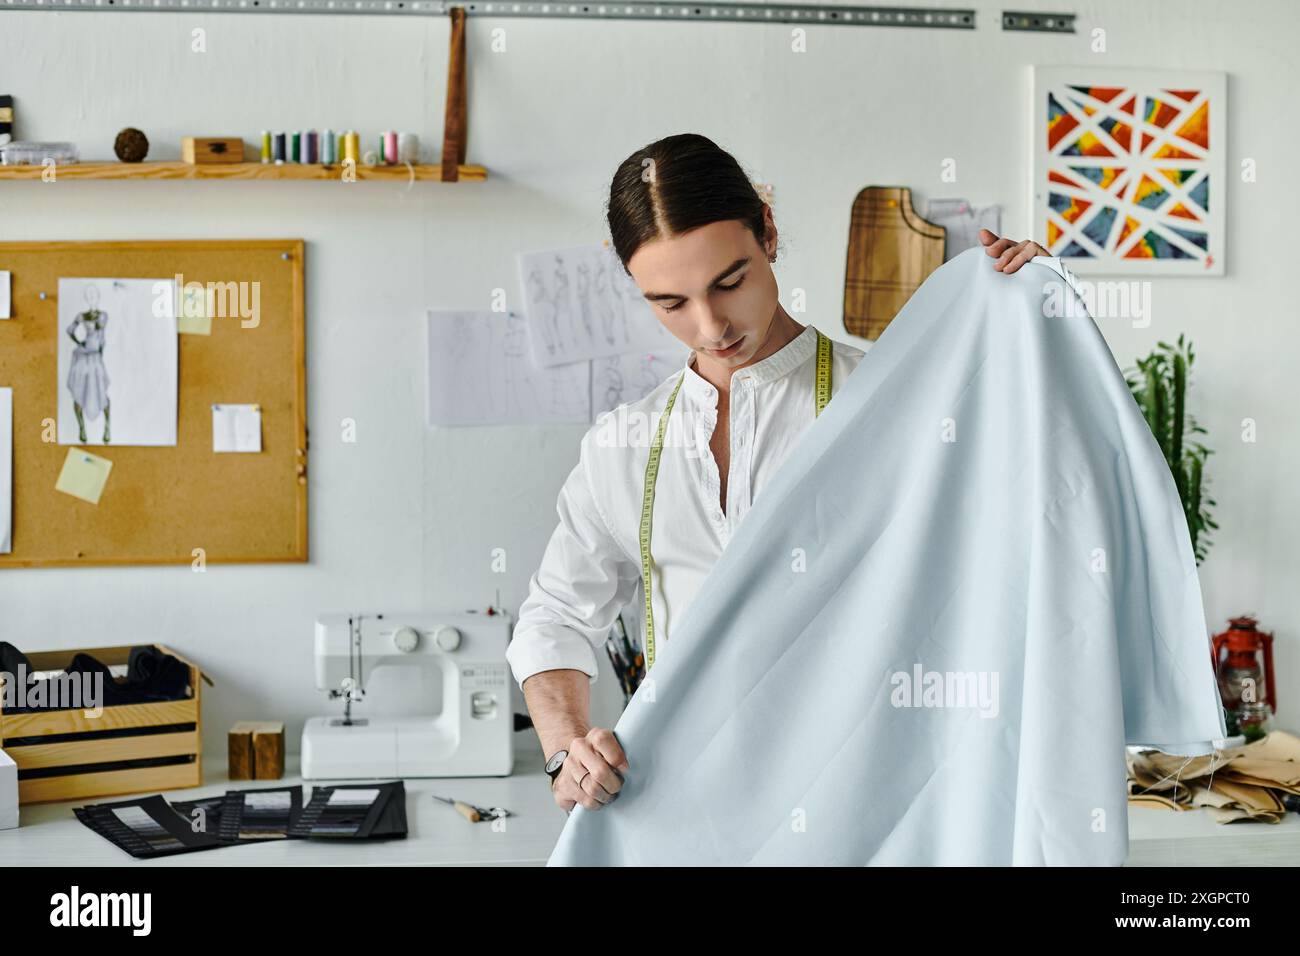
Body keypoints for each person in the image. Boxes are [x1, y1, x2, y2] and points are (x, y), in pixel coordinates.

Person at [506, 133, 1055, 814]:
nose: (710, 326)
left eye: (728, 282)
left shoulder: (900, 405)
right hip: (683, 807)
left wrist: (1041, 333)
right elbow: (557, 614)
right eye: (670, 302)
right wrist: (566, 747)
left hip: (864, 807)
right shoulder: (622, 445)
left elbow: (1029, 536)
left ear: (767, 229)